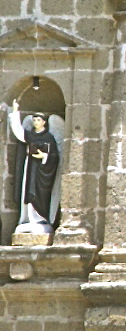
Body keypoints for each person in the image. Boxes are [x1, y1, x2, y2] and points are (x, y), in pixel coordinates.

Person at [9, 99, 62, 236]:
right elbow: (19, 132)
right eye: (34, 120)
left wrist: (44, 156)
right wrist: (15, 112)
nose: (35, 122)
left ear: (44, 122)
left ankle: (41, 219)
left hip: (43, 171)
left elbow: (55, 156)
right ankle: (28, 218)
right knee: (28, 191)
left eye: (38, 120)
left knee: (39, 193)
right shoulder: (30, 135)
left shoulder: (49, 137)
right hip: (30, 167)